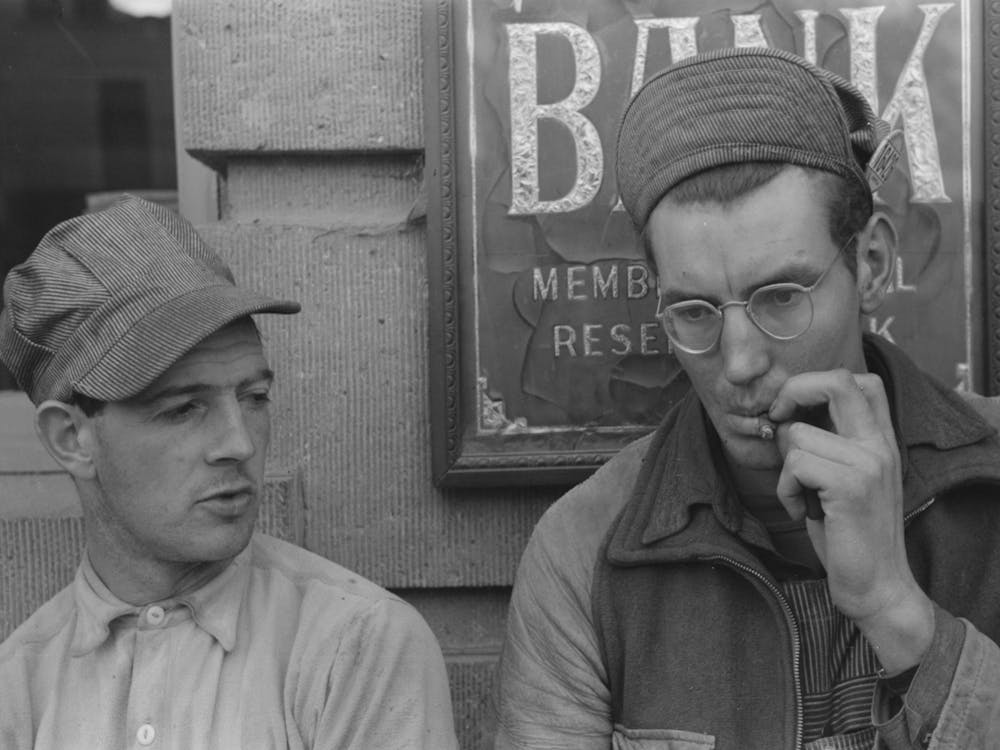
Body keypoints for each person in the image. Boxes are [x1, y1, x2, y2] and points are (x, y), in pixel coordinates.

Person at [494, 47, 1000, 750]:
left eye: (782, 296)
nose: (738, 362)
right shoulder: (584, 550)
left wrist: (894, 609)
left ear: (873, 264)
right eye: (695, 311)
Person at [0, 195, 459, 750]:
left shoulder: (353, 646)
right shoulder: (18, 690)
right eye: (182, 408)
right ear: (73, 439)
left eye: (255, 396)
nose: (238, 443)